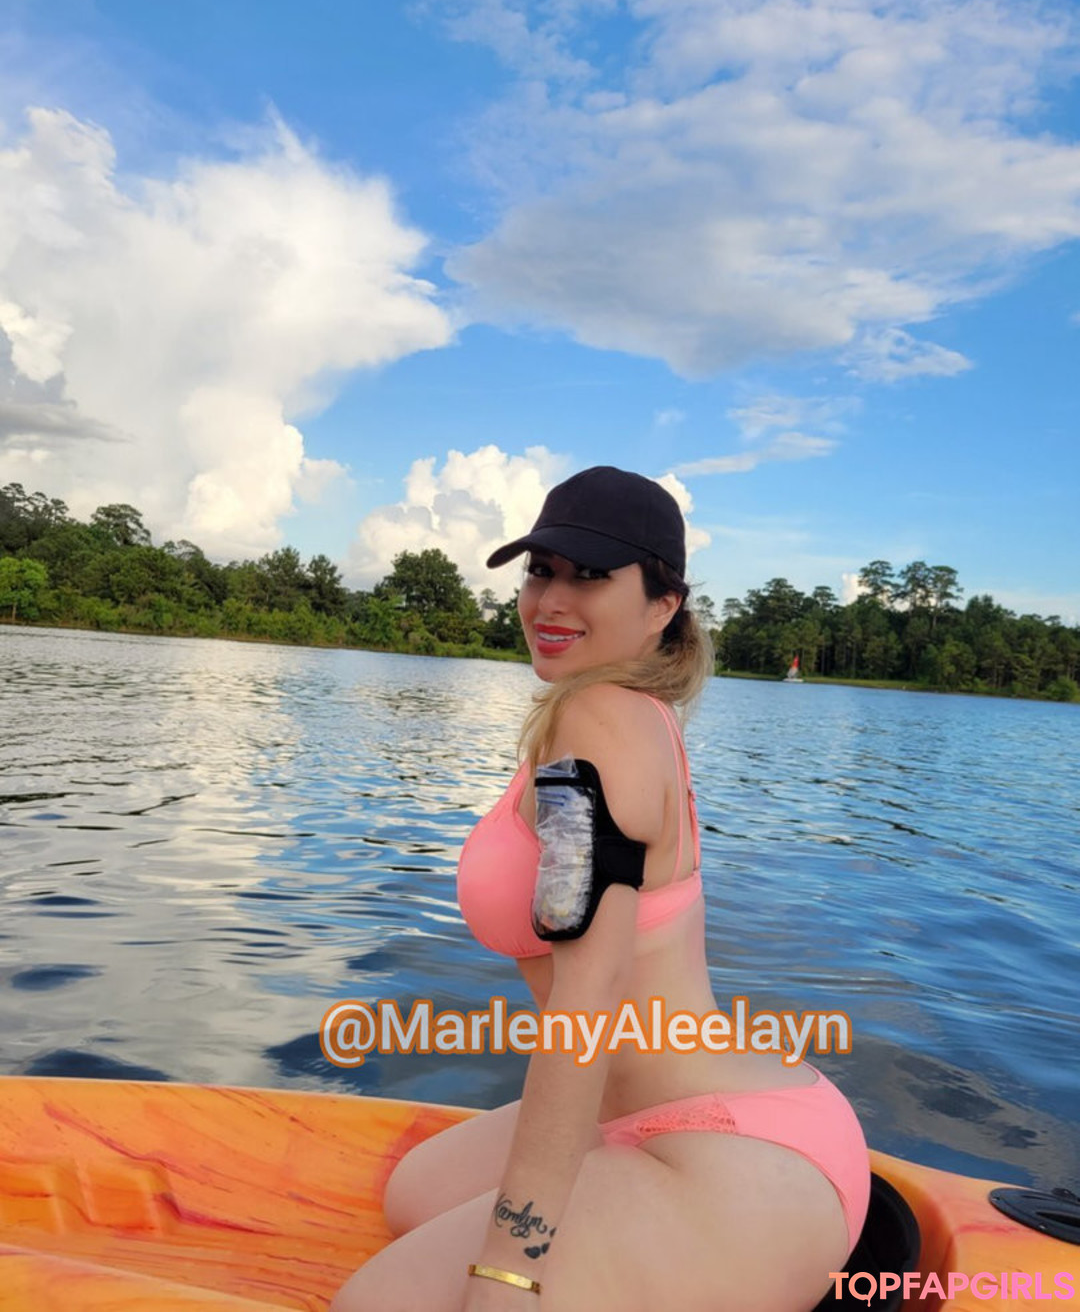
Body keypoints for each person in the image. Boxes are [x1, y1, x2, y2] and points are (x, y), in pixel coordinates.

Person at [331, 466, 870, 1312]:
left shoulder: (600, 723)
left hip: (732, 1153)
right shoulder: (625, 710)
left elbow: (589, 997)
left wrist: (511, 1266)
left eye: (589, 575)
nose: (551, 599)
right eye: (540, 569)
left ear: (663, 606)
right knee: (415, 1193)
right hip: (672, 1115)